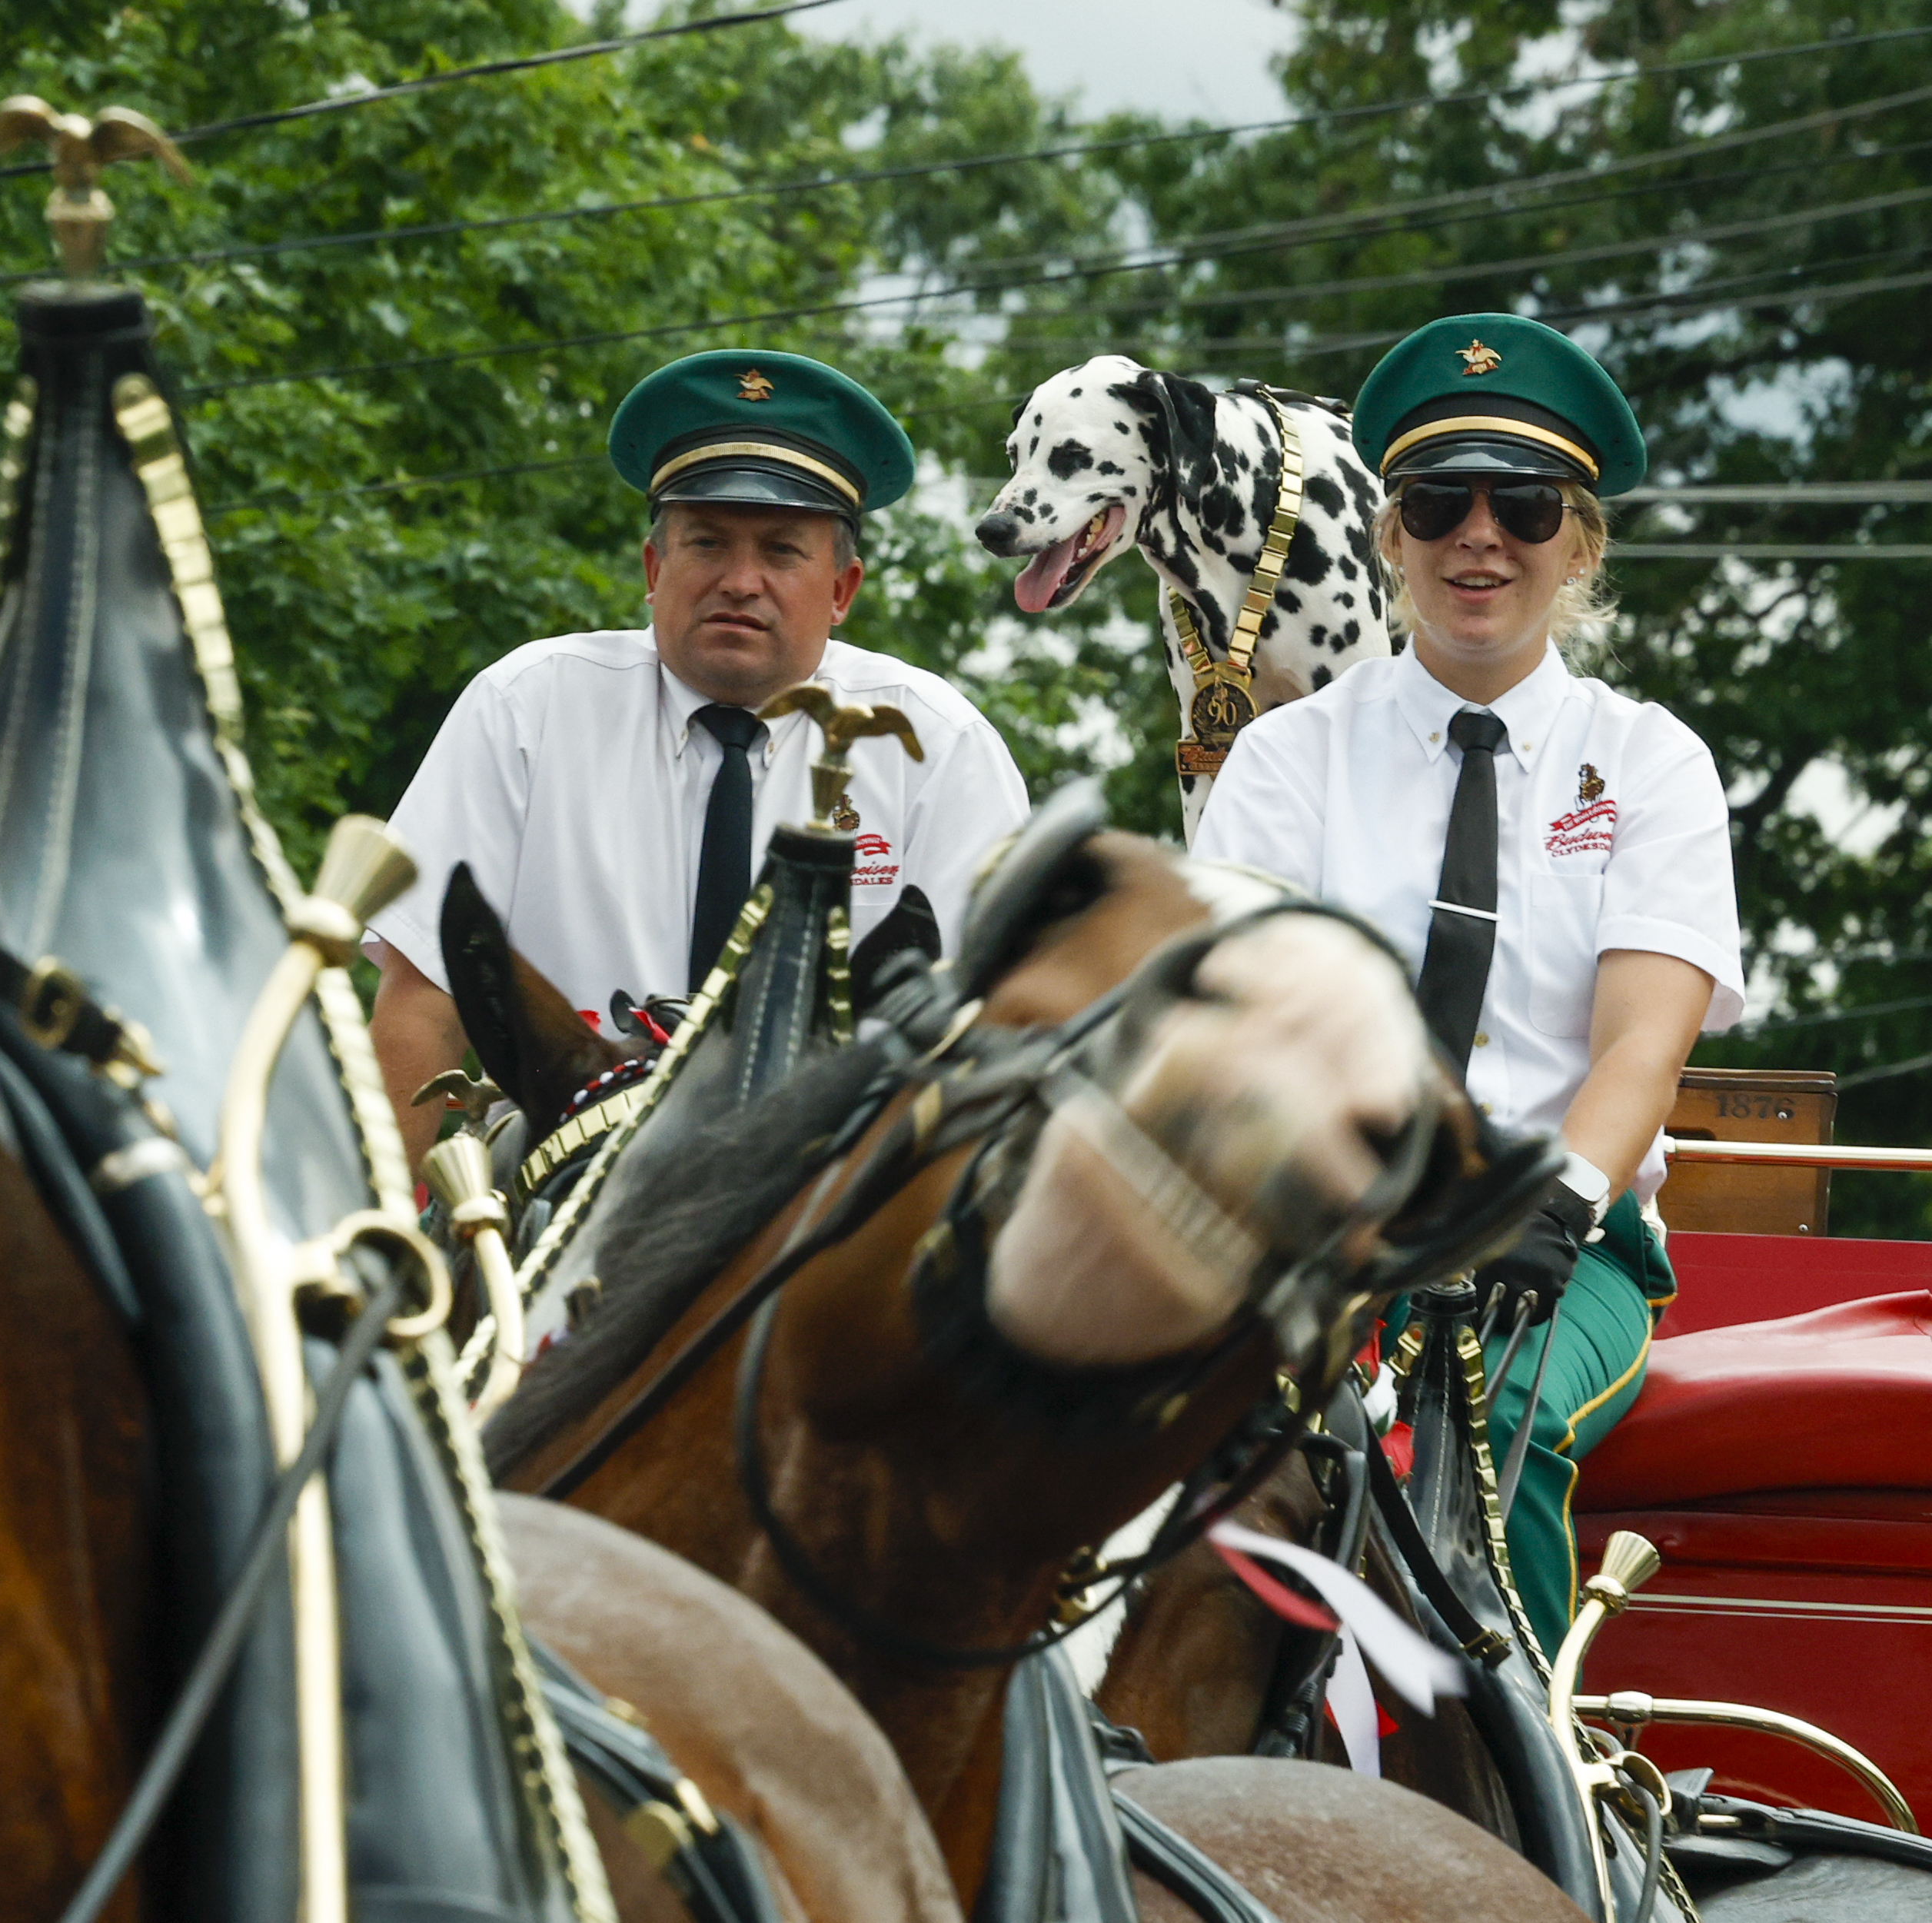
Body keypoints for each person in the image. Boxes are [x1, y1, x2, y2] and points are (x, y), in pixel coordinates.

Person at [1192, 312, 1743, 1636]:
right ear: (1389, 536)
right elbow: (1247, 1026)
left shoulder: (1652, 762)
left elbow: (1640, 1049)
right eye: (1437, 502)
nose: (1477, 536)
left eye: (1525, 505)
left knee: (1480, 1427)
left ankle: (1522, 1801)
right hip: (1323, 1225)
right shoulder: (1286, 760)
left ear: (1579, 544)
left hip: (1561, 1241)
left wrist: (1553, 1202)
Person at [367, 348, 1030, 1168]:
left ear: (842, 589)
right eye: (707, 542)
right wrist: (384, 1255)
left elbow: (1004, 1025)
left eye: (783, 551)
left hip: (824, 1198)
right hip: (560, 1173)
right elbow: (424, 998)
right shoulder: (527, 707)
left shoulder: (938, 745)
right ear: (654, 568)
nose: (740, 580)